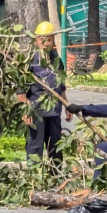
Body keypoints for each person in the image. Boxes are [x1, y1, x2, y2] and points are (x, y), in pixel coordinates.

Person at [19, 21, 71, 163]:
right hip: (36, 112)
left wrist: (67, 106)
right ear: (36, 40)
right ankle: (33, 179)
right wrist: (26, 111)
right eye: (43, 40)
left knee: (55, 147)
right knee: (35, 147)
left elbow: (61, 85)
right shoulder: (30, 61)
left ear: (53, 40)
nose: (46, 43)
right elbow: (20, 90)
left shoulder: (56, 60)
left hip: (54, 111)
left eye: (49, 40)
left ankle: (56, 178)